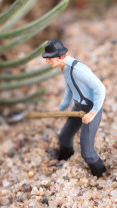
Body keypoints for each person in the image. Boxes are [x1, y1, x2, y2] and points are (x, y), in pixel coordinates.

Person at [42, 38, 107, 177]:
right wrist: (61, 108)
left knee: (87, 152)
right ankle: (64, 161)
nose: (47, 61)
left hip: (90, 110)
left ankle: (101, 174)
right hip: (78, 107)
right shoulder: (64, 68)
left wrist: (93, 112)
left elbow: (100, 88)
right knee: (64, 136)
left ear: (59, 57)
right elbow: (69, 91)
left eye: (49, 58)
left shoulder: (77, 70)